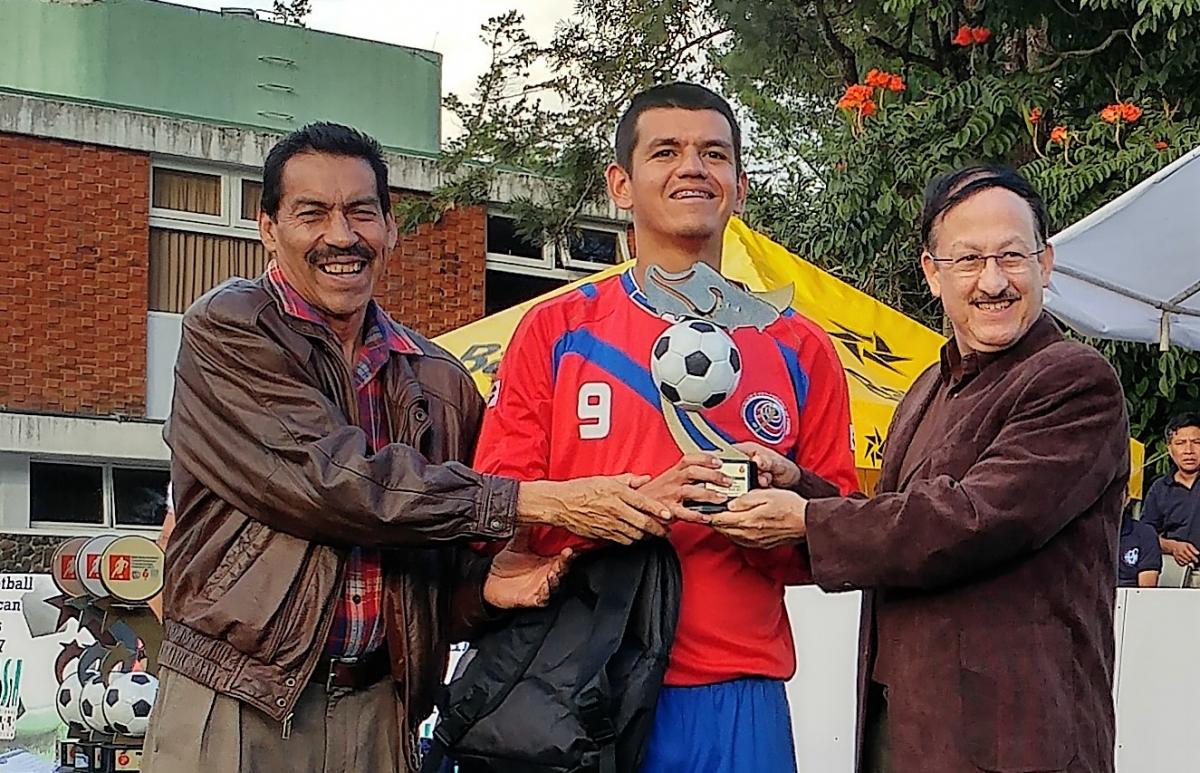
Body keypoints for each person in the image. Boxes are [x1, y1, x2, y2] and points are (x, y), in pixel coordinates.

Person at [142, 123, 673, 773]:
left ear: (390, 228)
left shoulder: (441, 379)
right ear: (268, 228)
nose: (342, 235)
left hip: (381, 709)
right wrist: (536, 500)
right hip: (238, 701)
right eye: (312, 212)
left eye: (361, 211)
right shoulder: (230, 327)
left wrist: (485, 588)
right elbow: (332, 481)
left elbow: (437, 558)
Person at [474, 83, 858, 772]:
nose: (692, 167)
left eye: (713, 153)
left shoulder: (802, 349)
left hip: (735, 693)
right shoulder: (556, 331)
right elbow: (497, 507)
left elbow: (840, 534)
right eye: (666, 151)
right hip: (578, 683)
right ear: (621, 183)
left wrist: (788, 509)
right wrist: (627, 507)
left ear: (739, 187)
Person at [710, 165, 1129, 773]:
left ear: (1045, 263)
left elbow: (970, 520)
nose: (993, 281)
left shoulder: (1072, 378)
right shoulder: (931, 383)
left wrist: (807, 520)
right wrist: (795, 483)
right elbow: (895, 511)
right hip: (908, 721)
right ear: (932, 273)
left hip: (1019, 735)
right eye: (967, 260)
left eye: (1012, 257)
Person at [1140, 413, 1200, 575]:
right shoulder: (1159, 489)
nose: (1189, 450)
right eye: (1180, 443)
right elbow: (1145, 537)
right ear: (1169, 449)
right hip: (1176, 572)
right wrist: (1172, 546)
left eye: (1196, 442)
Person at [1118, 504, 1161, 588]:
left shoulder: (1145, 534)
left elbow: (1145, 593)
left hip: (1130, 598)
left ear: (1127, 499)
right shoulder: (1088, 533)